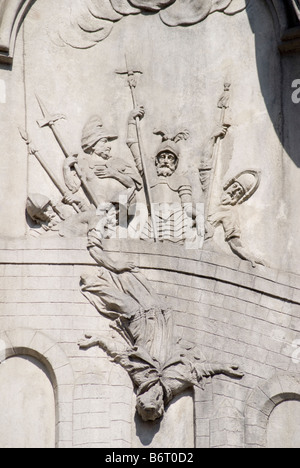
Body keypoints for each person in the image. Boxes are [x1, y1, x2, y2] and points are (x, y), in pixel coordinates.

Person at [64, 115, 142, 209]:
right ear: (93, 144)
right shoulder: (83, 164)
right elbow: (73, 187)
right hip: (99, 211)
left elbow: (133, 184)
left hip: (123, 210)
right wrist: (66, 168)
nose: (109, 146)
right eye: (104, 141)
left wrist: (114, 174)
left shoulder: (117, 162)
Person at [205, 170, 265, 267]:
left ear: (240, 198)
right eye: (235, 186)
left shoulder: (230, 213)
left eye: (239, 192)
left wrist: (248, 256)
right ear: (229, 184)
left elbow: (234, 240)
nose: (234, 191)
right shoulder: (211, 190)